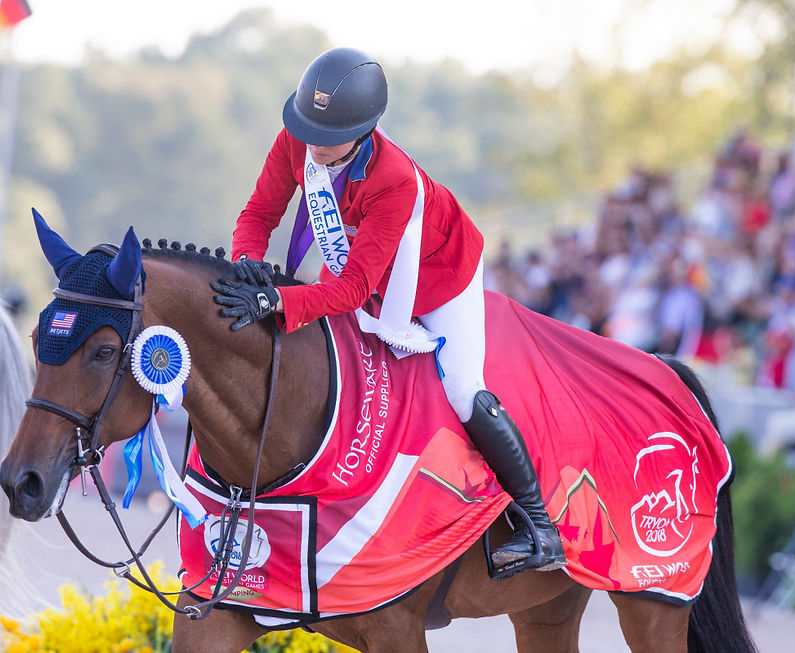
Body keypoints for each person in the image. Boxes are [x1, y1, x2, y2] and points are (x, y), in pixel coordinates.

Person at [211, 47, 566, 576]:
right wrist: (247, 263)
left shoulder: (393, 178)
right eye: (307, 128)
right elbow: (259, 212)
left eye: (327, 135)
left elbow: (354, 289)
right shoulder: (298, 139)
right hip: (365, 262)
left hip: (439, 279)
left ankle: (540, 525)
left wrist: (278, 300)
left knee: (463, 389)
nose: (313, 144)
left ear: (363, 131)